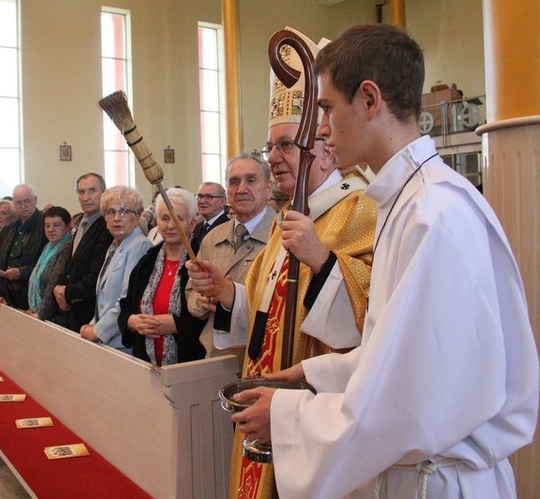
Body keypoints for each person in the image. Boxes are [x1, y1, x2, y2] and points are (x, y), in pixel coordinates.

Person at [231, 24, 540, 498]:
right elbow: (403, 356)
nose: (325, 131)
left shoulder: (434, 215)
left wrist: (286, 415)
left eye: (330, 108)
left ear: (370, 100)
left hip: (437, 482)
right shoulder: (408, 202)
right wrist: (315, 373)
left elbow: (404, 406)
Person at [186, 27, 378, 498]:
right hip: (267, 400)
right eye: (270, 146)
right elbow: (266, 312)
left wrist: (322, 259)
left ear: (326, 146)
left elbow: (377, 313)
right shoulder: (287, 218)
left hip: (315, 415)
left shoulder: (361, 209)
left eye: (286, 145)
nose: (273, 158)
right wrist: (228, 293)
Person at [185, 154, 275, 362]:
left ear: (268, 188)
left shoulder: (281, 234)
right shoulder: (213, 237)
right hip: (215, 357)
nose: (241, 189)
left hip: (261, 358)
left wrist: (230, 297)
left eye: (251, 180)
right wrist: (201, 301)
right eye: (234, 182)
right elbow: (190, 292)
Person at [119, 188, 206, 365]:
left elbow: (209, 316)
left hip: (189, 364)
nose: (170, 225)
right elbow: (125, 307)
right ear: (157, 223)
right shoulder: (147, 260)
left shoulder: (201, 260)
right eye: (164, 219)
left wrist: (176, 325)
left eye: (178, 218)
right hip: (145, 362)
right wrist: (132, 321)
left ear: (192, 223)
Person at [79, 186, 152, 351]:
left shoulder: (139, 246)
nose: (117, 218)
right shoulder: (115, 245)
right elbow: (104, 299)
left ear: (138, 215)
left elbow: (126, 300)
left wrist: (98, 331)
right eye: (111, 212)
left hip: (122, 342)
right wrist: (91, 325)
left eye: (125, 211)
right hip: (107, 341)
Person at [54, 173, 113, 331]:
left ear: (104, 192)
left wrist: (67, 293)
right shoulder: (82, 223)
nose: (86, 197)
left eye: (92, 191)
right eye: (81, 192)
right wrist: (59, 287)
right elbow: (70, 264)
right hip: (72, 309)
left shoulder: (107, 227)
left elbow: (98, 275)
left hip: (90, 311)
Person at [0, 183, 47, 311]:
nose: (22, 206)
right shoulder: (8, 227)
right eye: (18, 203)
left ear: (35, 200)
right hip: (7, 293)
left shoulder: (44, 226)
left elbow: (46, 263)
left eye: (26, 201)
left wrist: (21, 272)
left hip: (32, 294)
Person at [25, 206, 73, 324]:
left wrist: (40, 313)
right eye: (47, 226)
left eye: (56, 225)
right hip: (40, 313)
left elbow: (53, 282)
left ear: (67, 227)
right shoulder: (48, 246)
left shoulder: (67, 247)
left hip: (55, 317)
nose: (51, 229)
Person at [190, 182, 229, 252]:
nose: (202, 201)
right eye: (200, 196)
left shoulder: (229, 227)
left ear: (223, 201)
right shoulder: (196, 227)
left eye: (208, 197)